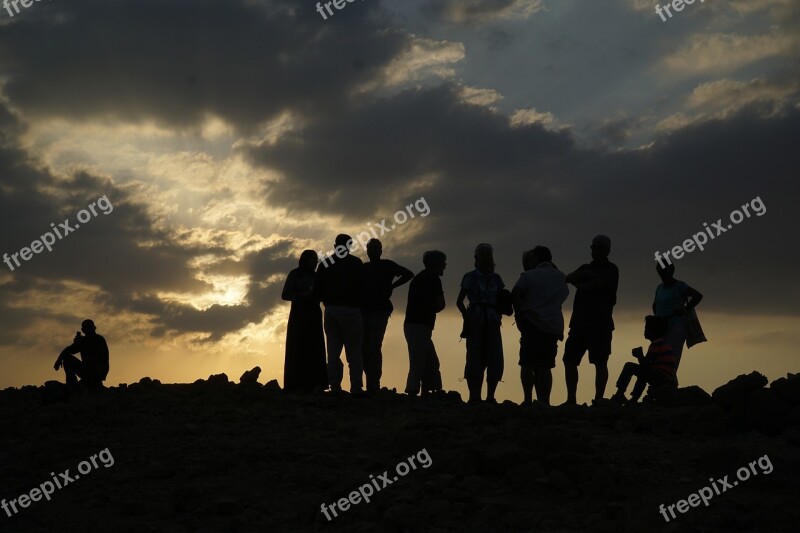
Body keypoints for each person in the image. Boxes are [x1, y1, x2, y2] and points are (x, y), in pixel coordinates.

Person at [562, 235, 619, 405]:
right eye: (594, 247)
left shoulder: (611, 269)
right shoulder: (586, 267)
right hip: (580, 323)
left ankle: (599, 399)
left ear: (607, 250)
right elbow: (568, 278)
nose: (596, 250)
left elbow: (599, 284)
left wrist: (582, 284)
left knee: (600, 362)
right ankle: (571, 399)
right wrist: (586, 274)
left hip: (600, 324)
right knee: (569, 360)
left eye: (600, 247)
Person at [512, 246, 569, 406]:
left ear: (536, 258)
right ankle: (544, 401)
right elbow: (564, 294)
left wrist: (519, 313)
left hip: (531, 323)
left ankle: (528, 399)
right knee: (545, 366)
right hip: (552, 325)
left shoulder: (528, 276)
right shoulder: (560, 277)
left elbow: (515, 292)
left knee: (527, 363)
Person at [313, 234, 365, 395]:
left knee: (333, 351)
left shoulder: (325, 264)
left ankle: (335, 385)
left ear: (335, 245)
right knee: (354, 352)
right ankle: (356, 387)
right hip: (352, 310)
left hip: (332, 310)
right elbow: (364, 287)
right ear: (349, 246)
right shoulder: (356, 263)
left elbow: (317, 290)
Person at [361, 239, 413, 393]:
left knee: (373, 346)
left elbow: (408, 274)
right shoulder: (366, 268)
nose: (373, 251)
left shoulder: (386, 265)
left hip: (379, 310)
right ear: (368, 251)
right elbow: (408, 274)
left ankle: (373, 383)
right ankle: (371, 382)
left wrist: (392, 286)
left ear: (380, 251)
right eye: (371, 249)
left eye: (376, 248)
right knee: (365, 347)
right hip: (366, 310)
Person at [457, 243, 506, 404]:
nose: (486, 259)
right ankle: (474, 396)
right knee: (474, 358)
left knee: (494, 357)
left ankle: (490, 395)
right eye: (483, 255)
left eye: (488, 255)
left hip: (492, 321)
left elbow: (501, 300)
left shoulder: (497, 278)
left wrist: (499, 313)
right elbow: (459, 301)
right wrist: (467, 316)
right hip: (476, 320)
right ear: (476, 258)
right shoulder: (469, 277)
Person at [281, 250, 328, 393]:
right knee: (297, 347)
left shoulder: (317, 276)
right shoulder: (295, 274)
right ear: (305, 260)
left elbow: (323, 294)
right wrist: (303, 294)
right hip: (299, 316)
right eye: (313, 259)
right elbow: (285, 294)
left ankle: (316, 384)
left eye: (316, 259)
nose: (315, 262)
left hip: (313, 315)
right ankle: (295, 384)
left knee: (315, 348)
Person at [404, 250, 446, 397]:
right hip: (421, 324)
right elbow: (441, 304)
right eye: (442, 263)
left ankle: (427, 390)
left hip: (414, 323)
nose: (445, 266)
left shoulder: (419, 278)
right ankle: (414, 391)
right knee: (420, 360)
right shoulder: (433, 279)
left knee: (428, 359)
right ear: (436, 264)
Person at [611, 315, 677, 404]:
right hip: (664, 377)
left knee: (629, 366)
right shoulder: (662, 343)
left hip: (660, 377)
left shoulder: (656, 344)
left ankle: (621, 393)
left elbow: (645, 365)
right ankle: (634, 397)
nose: (644, 331)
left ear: (653, 331)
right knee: (643, 373)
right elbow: (647, 367)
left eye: (646, 328)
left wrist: (639, 355)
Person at [652, 263, 703, 377]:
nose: (662, 272)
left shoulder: (679, 286)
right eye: (659, 269)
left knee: (671, 358)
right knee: (659, 358)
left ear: (672, 270)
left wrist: (685, 309)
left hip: (675, 326)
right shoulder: (659, 287)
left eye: (664, 269)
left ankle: (670, 386)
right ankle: (664, 386)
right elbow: (655, 305)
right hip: (661, 327)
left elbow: (697, 296)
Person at [53, 319, 109, 390]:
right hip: (86, 371)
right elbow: (69, 350)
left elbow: (96, 355)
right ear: (83, 330)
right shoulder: (83, 340)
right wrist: (59, 360)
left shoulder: (99, 339)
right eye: (86, 328)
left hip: (98, 372)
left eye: (89, 328)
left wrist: (82, 342)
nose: (88, 330)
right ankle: (73, 385)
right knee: (67, 359)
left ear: (94, 328)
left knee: (91, 360)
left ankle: (92, 383)